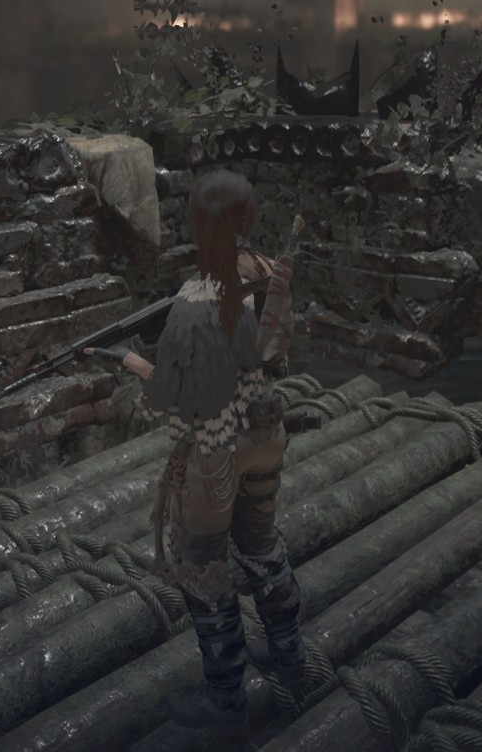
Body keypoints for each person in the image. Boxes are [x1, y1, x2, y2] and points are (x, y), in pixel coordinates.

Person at [85, 169, 309, 728]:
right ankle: (289, 659)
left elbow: (169, 396)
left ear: (193, 226)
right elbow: (273, 356)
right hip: (266, 434)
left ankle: (226, 697)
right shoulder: (267, 271)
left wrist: (129, 360)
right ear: (247, 220)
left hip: (215, 451)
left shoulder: (192, 301)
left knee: (205, 569)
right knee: (262, 547)